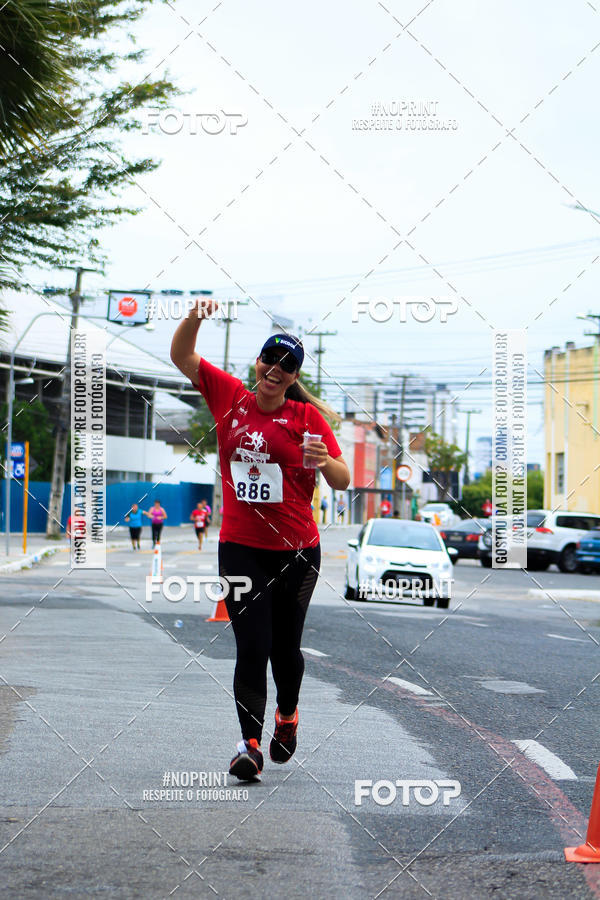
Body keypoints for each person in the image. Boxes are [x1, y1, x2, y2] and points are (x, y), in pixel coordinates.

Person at [170, 300, 350, 781]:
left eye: (286, 365)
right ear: (258, 362)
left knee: (285, 651)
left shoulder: (306, 419)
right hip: (241, 548)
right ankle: (249, 745)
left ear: (294, 377)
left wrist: (323, 462)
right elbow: (182, 356)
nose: (275, 369)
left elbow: (344, 479)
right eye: (269, 359)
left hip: (297, 552)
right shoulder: (229, 398)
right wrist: (196, 316)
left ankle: (287, 716)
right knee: (251, 646)